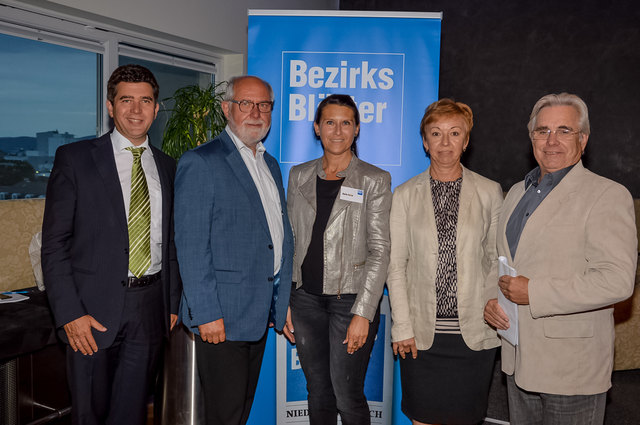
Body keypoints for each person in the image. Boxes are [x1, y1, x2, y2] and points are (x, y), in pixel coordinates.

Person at [484, 93, 637, 424]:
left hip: (571, 370)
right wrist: (492, 301)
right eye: (542, 131)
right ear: (531, 138)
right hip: (517, 358)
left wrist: (534, 292)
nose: (551, 140)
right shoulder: (515, 193)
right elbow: (502, 262)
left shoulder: (607, 196)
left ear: (583, 139)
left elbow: (617, 280)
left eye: (564, 130)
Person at [41, 64, 181, 425]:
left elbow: (173, 243)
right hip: (90, 311)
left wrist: (171, 303)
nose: (136, 110)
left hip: (150, 309)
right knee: (90, 414)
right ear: (109, 106)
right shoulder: (75, 159)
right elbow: (54, 245)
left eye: (145, 101)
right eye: (126, 100)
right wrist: (70, 313)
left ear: (156, 107)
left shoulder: (169, 167)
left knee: (131, 414)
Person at [174, 75, 294, 425]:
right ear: (227, 108)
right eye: (246, 103)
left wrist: (280, 301)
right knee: (224, 416)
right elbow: (192, 245)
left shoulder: (269, 164)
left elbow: (276, 235)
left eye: (264, 105)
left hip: (257, 313)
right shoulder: (202, 162)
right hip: (221, 317)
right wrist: (207, 313)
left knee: (240, 411)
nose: (255, 112)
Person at [387, 98, 503, 425]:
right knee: (422, 418)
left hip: (475, 333)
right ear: (424, 142)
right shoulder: (405, 195)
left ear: (466, 141)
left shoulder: (490, 192)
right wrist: (403, 326)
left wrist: (493, 303)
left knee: (466, 418)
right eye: (436, 134)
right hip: (422, 335)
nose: (445, 143)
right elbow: (396, 265)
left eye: (454, 133)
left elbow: (496, 258)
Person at [286, 94, 392, 425]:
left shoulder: (374, 179)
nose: (337, 130)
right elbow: (290, 241)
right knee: (317, 391)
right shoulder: (298, 176)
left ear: (357, 129)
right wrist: (283, 301)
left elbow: (380, 248)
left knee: (348, 395)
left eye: (346, 123)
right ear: (317, 128)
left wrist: (364, 311)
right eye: (330, 122)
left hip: (351, 302)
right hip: (304, 301)